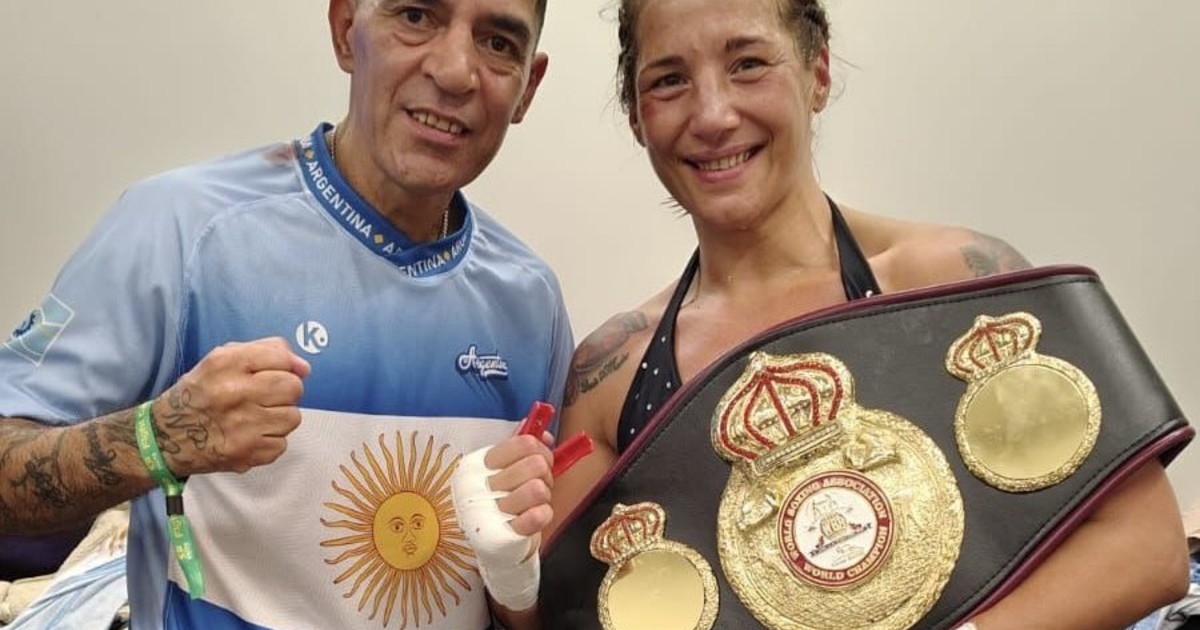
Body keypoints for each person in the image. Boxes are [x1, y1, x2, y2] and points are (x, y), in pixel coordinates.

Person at [535, 0, 1189, 628]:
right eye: (669, 80)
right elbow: (554, 612)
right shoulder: (614, 373)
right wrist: (506, 558)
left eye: (748, 64)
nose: (712, 114)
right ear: (635, 116)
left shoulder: (957, 279)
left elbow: (1147, 548)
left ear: (817, 71)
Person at [0, 0, 571, 628]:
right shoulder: (183, 230)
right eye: (416, 16)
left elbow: (540, 594)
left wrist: (514, 575)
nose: (456, 70)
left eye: (498, 43)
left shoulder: (533, 302)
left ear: (528, 87)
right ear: (345, 29)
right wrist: (154, 441)